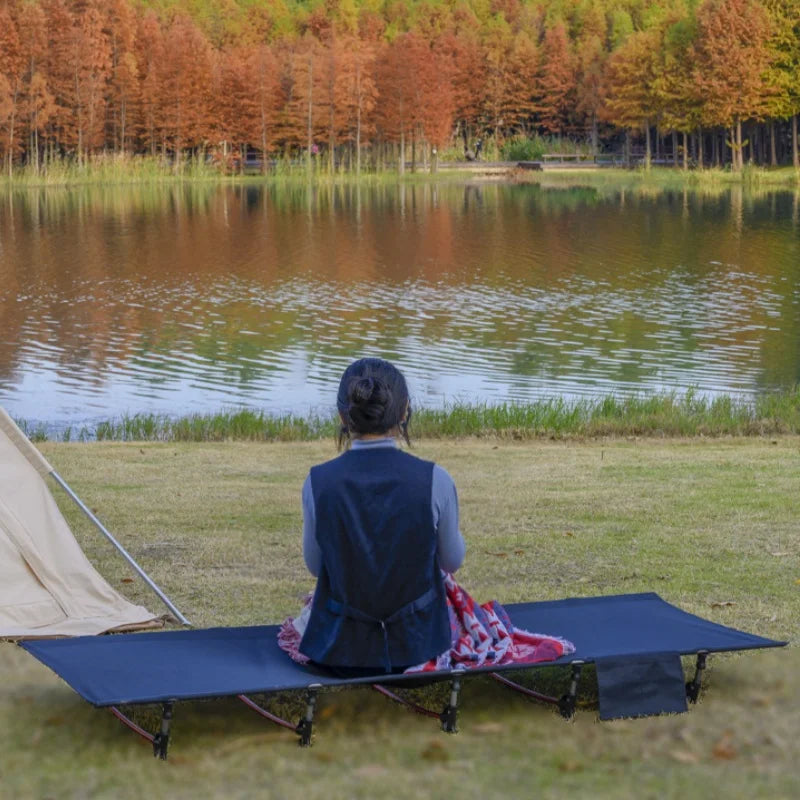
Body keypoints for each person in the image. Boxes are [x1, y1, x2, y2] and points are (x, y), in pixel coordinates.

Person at [296, 357, 465, 676]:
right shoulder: (436, 479)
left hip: (339, 651)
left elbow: (316, 566)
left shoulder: (318, 482)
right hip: (419, 647)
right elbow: (451, 561)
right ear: (404, 412)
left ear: (343, 416)